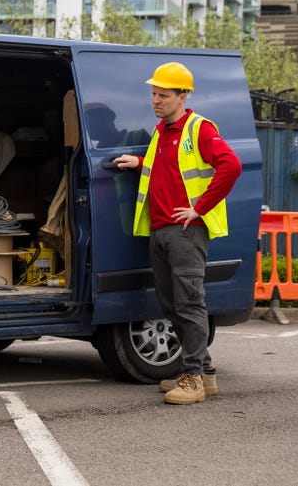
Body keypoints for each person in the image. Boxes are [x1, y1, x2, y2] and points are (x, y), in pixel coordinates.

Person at [114, 61, 241, 405]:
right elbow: (165, 169)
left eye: (163, 95)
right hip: (161, 230)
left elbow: (231, 165)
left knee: (189, 304)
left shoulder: (198, 128)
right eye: (153, 93)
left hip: (186, 231)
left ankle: (194, 379)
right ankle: (205, 372)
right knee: (171, 305)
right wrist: (137, 163)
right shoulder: (163, 131)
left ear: (183, 96)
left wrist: (200, 207)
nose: (155, 100)